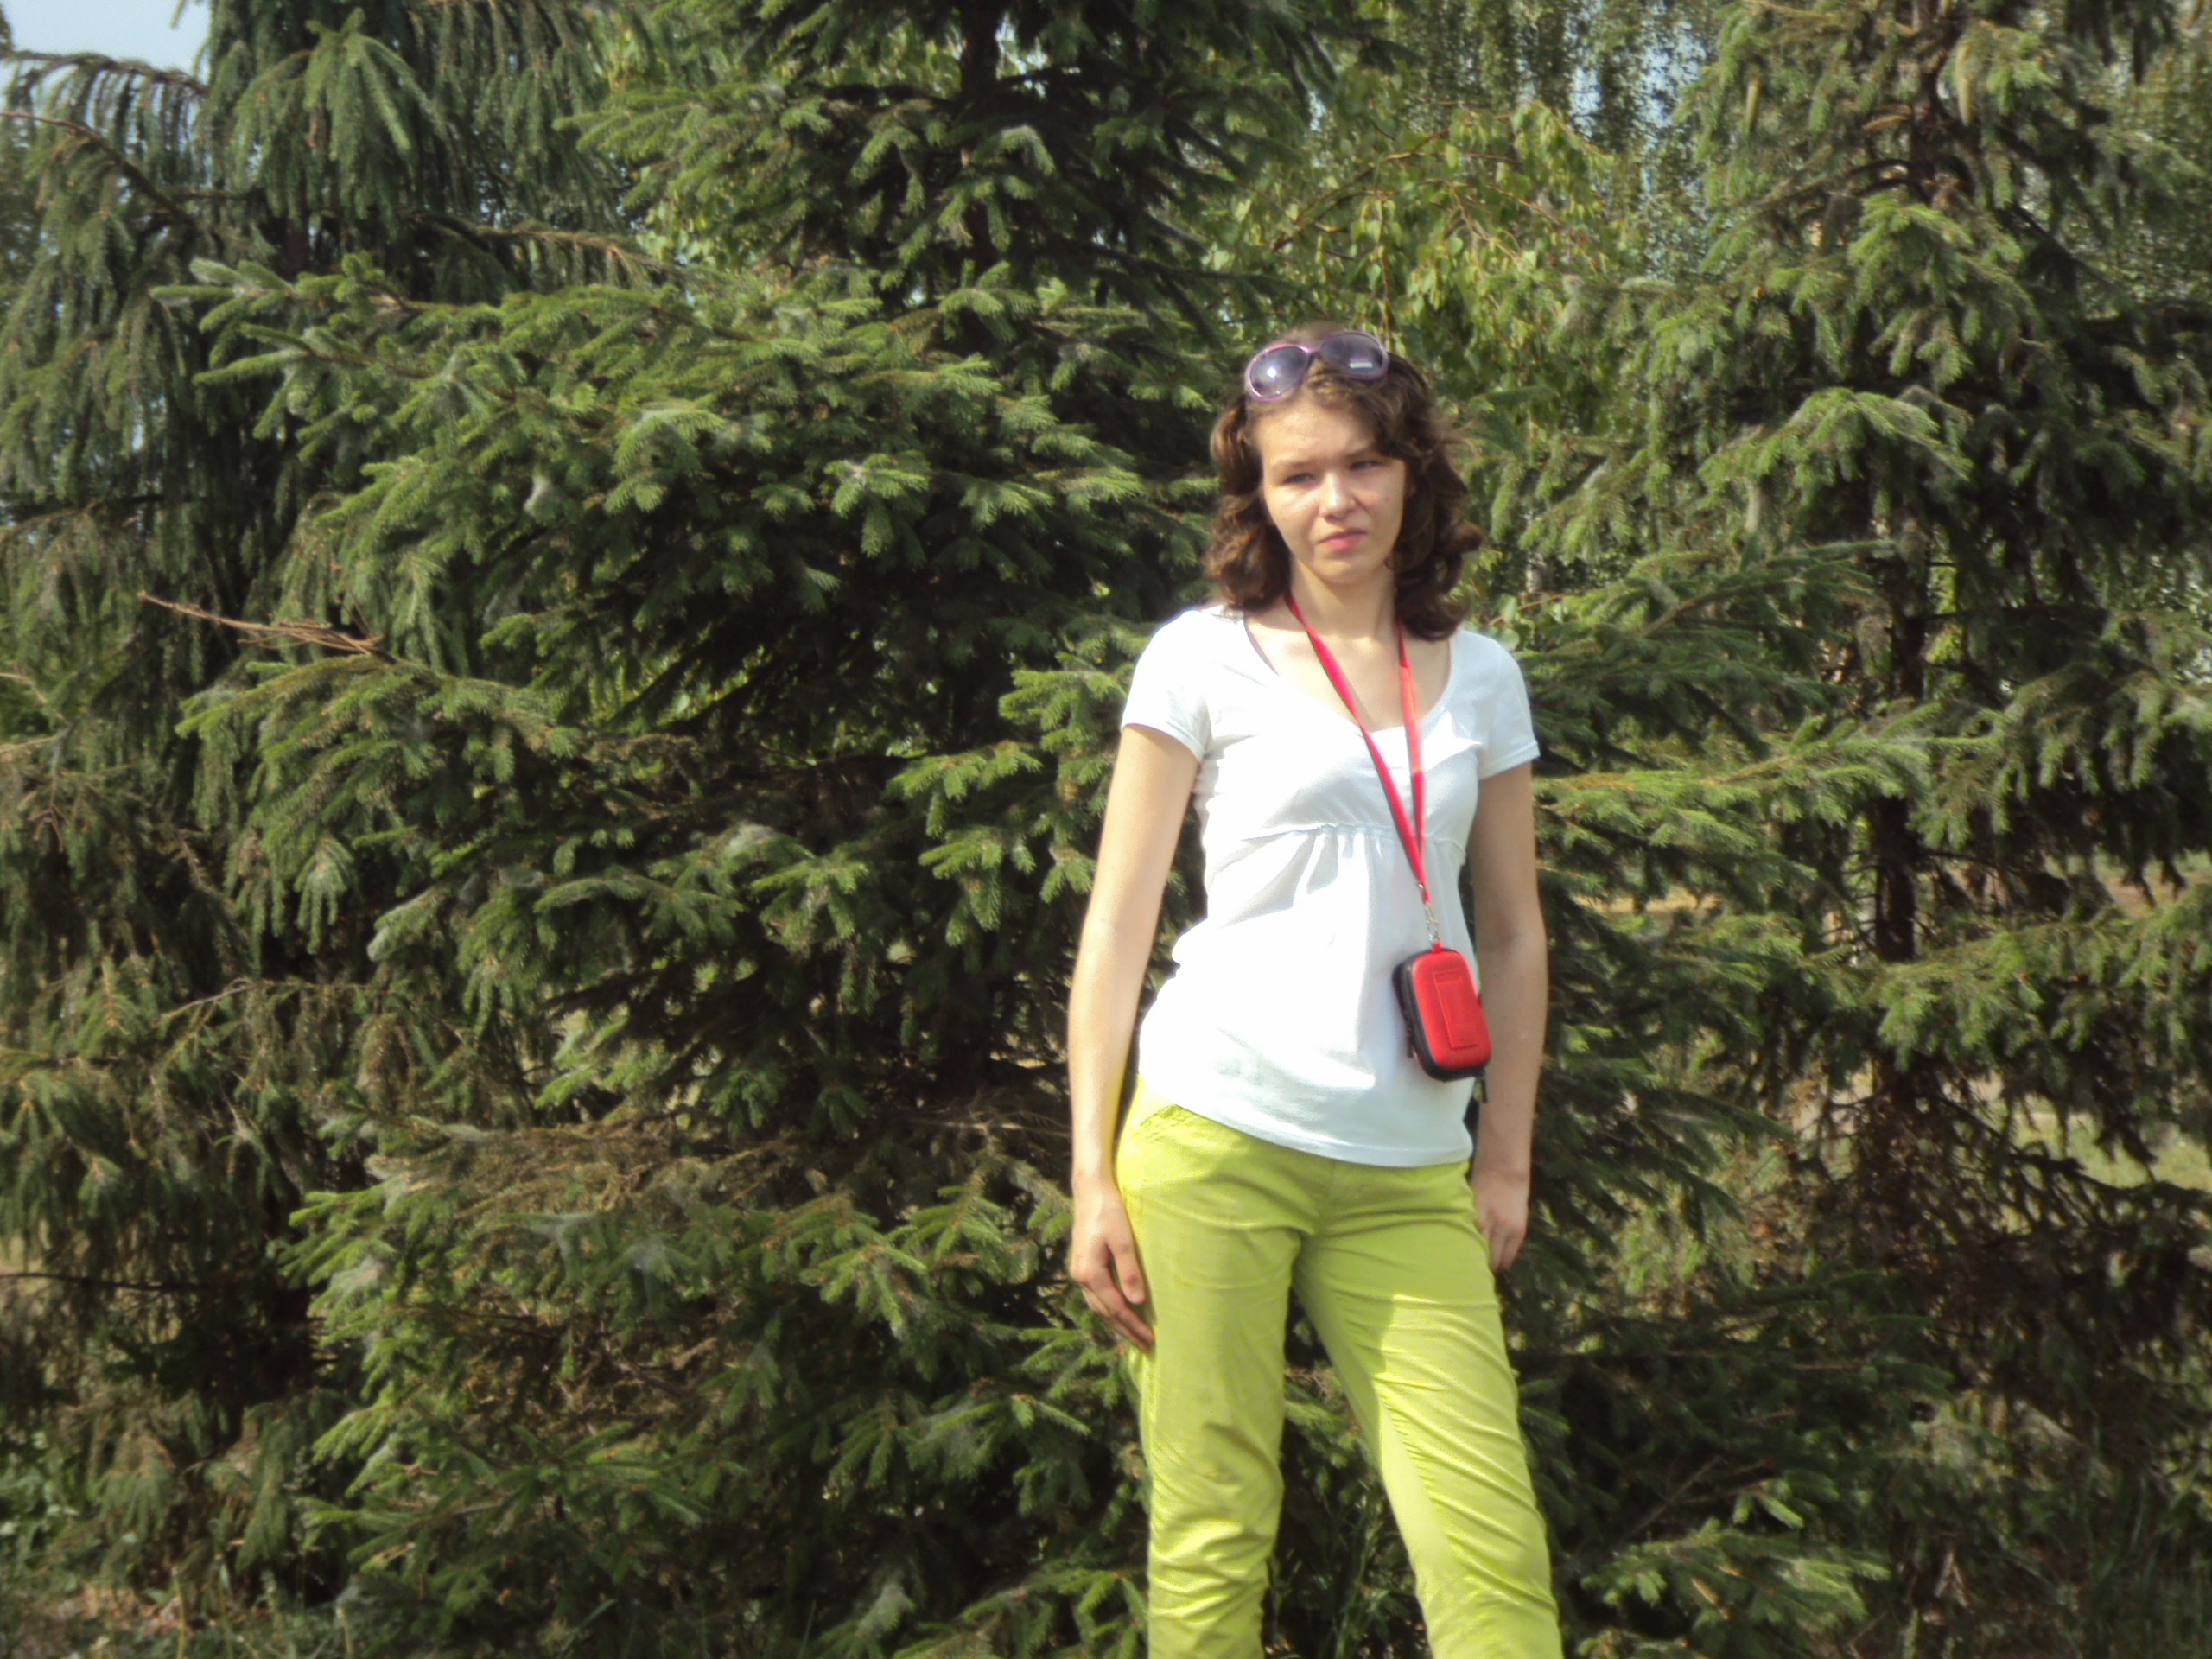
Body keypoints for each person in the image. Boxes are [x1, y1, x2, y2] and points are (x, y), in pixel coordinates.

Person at [1065, 323, 1563, 1659]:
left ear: (1414, 475)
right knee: (1213, 1532)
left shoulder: (1484, 676)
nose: (1334, 500)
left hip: (1408, 1167)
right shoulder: (1200, 659)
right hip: (1211, 1137)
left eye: (1362, 465)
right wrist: (1093, 1175)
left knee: (1489, 1550)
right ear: (1260, 495)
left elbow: (1514, 934)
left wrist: (1504, 1156)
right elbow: (1117, 927)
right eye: (1297, 475)